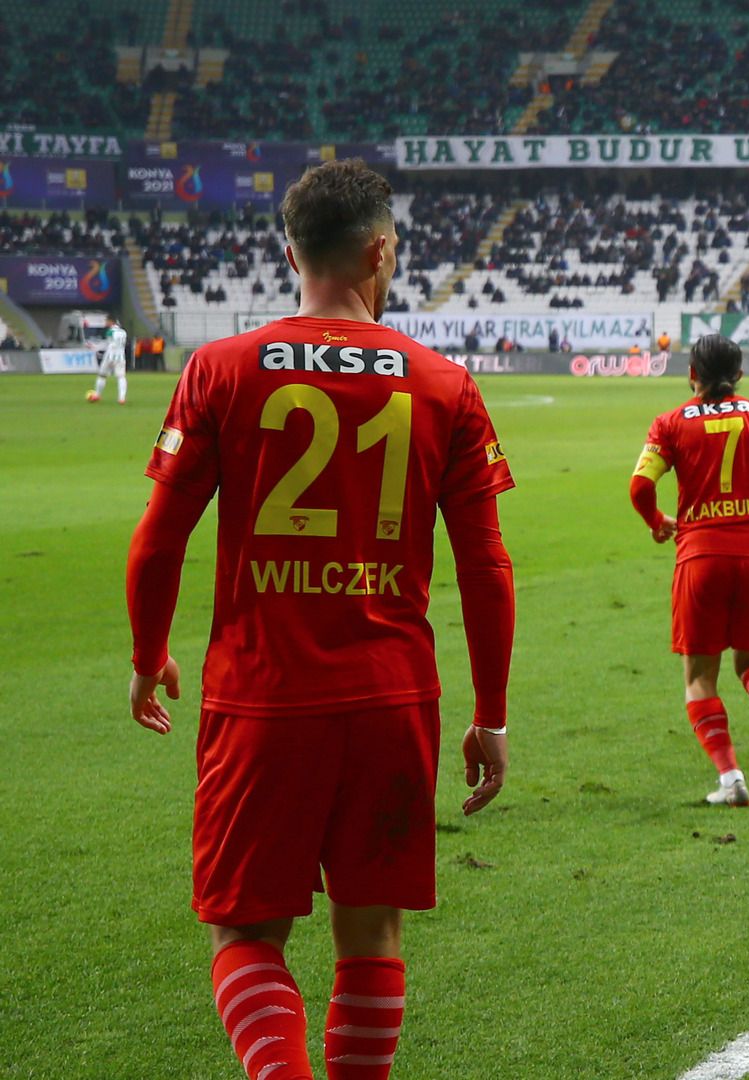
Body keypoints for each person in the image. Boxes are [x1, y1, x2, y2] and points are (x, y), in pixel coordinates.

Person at [123, 159, 517, 1080]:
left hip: (264, 698)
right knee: (370, 933)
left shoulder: (221, 367)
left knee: (244, 933)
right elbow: (486, 565)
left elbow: (157, 540)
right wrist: (491, 713)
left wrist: (149, 655)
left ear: (289, 251)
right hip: (391, 699)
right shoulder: (445, 383)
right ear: (379, 251)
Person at [630, 335, 749, 807]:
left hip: (700, 558)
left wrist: (656, 521)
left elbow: (639, 487)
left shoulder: (670, 422)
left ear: (692, 373)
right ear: (740, 376)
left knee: (699, 678)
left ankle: (731, 778)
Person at [88, 315, 130, 404]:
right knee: (121, 377)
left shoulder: (110, 331)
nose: (105, 323)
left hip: (109, 356)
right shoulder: (123, 332)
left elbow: (108, 344)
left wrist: (94, 347)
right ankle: (122, 398)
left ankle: (97, 395)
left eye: (106, 321)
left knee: (102, 375)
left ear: (111, 321)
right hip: (120, 357)